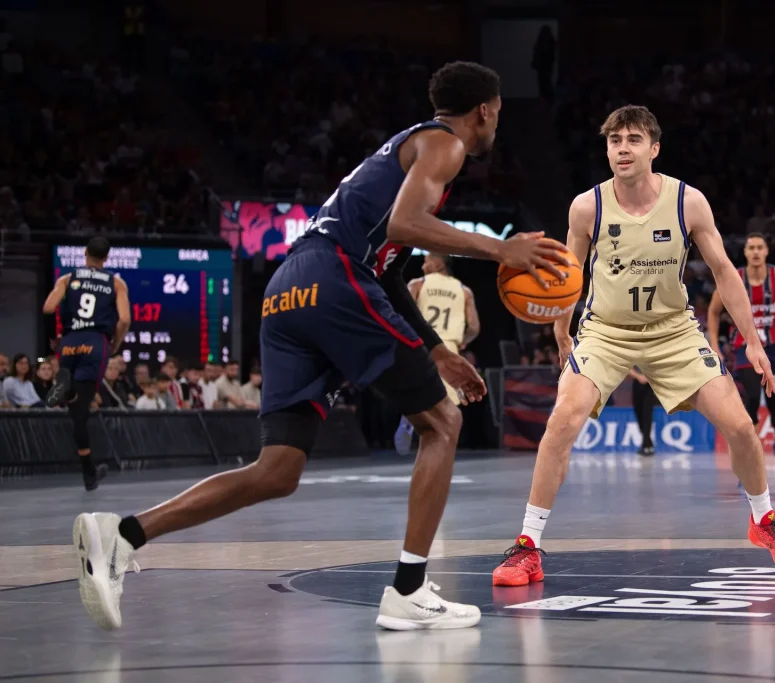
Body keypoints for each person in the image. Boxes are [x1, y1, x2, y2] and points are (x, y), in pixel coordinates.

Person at [72, 61, 569, 632]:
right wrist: (497, 249)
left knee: (277, 470)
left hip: (289, 289)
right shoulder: (444, 144)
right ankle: (408, 590)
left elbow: (388, 270)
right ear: (485, 110)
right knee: (442, 424)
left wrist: (436, 351)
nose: (497, 127)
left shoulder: (400, 152)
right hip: (334, 277)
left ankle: (124, 533)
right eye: (499, 116)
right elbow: (406, 225)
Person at [491, 105, 775, 590]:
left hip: (673, 329)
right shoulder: (587, 207)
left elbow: (725, 271)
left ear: (654, 149)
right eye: (614, 139)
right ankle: (528, 546)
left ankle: (763, 520)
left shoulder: (688, 202)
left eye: (634, 139)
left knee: (741, 424)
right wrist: (561, 329)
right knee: (562, 419)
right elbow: (566, 278)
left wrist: (753, 340)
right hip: (605, 329)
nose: (622, 147)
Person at [707, 233, 775, 480]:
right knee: (753, 399)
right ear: (745, 252)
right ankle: (751, 462)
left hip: (774, 347)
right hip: (744, 347)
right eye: (751, 248)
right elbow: (713, 312)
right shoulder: (733, 277)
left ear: (767, 251)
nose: (756, 252)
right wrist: (714, 345)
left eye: (760, 248)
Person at [42, 237, 130, 490]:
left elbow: (48, 308)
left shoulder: (66, 279)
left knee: (75, 411)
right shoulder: (115, 283)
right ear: (106, 257)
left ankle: (89, 471)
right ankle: (88, 474)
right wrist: (114, 344)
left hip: (69, 342)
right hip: (95, 342)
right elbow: (124, 319)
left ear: (85, 253)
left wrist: (53, 339)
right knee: (81, 412)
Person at [394, 252, 481, 454]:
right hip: (449, 347)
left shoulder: (418, 284)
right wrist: (463, 341)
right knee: (447, 402)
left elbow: (401, 315)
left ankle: (410, 419)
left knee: (418, 391)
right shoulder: (464, 291)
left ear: (438, 263)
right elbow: (474, 327)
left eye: (426, 262)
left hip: (421, 345)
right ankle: (440, 442)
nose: (423, 267)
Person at [630, 367, 656, 455]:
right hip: (637, 383)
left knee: (647, 414)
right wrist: (638, 376)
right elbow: (626, 367)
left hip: (650, 385)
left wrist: (649, 377)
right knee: (639, 413)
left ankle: (645, 445)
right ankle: (648, 443)